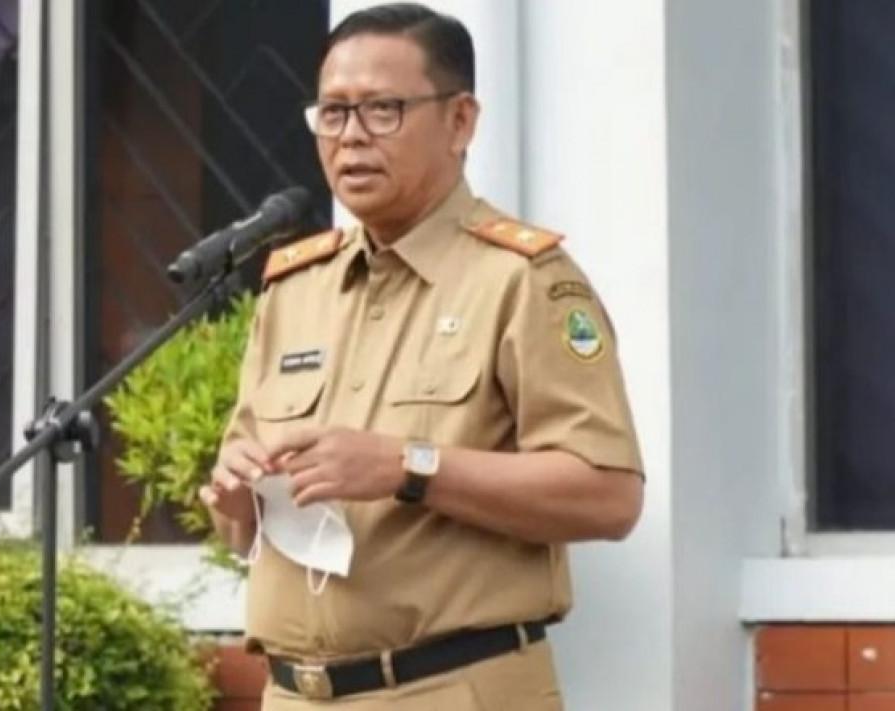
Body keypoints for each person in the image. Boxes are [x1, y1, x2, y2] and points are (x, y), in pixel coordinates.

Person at [198, 3, 645, 709]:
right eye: (333, 112)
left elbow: (608, 494)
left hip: (447, 688)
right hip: (293, 693)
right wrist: (235, 497)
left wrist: (409, 467)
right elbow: (241, 525)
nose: (351, 137)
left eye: (383, 109)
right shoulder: (295, 286)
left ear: (460, 121)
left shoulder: (521, 279)